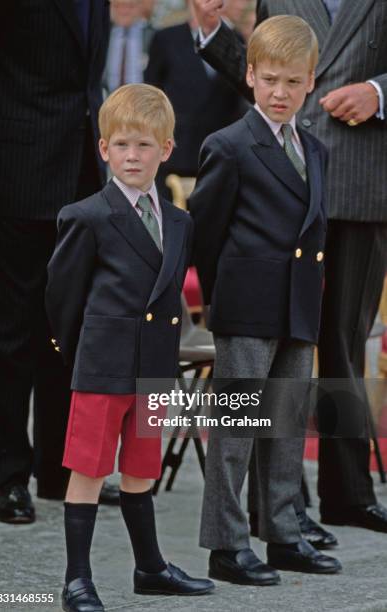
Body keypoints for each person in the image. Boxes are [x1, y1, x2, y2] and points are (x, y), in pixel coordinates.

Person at [192, 0, 387, 536]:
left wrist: (378, 92)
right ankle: (279, 510)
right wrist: (213, 31)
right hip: (277, 182)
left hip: (359, 178)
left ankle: (347, 495)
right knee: (269, 357)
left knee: (340, 343)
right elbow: (263, 69)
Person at [46, 84, 215, 612]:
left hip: (154, 366)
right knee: (90, 471)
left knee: (142, 468)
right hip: (102, 363)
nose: (132, 156)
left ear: (166, 149)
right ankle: (77, 581)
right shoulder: (87, 215)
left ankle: (151, 568)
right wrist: (79, 353)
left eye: (144, 145)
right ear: (103, 149)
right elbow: (62, 295)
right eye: (121, 145)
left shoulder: (181, 222)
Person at [189, 16, 342, 585]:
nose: (280, 93)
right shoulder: (228, 146)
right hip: (246, 309)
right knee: (235, 433)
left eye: (293, 82)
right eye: (270, 79)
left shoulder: (317, 150)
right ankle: (226, 547)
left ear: (311, 83)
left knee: (284, 427)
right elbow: (205, 232)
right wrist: (223, 300)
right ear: (250, 75)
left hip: (298, 308)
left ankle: (282, 534)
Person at [0, 0, 120, 525]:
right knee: (8, 333)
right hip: (12, 174)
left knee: (67, 328)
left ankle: (60, 471)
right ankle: (9, 477)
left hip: (79, 175)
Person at [144, 0, 248, 199]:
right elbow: (151, 95)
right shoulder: (166, 38)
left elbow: (240, 97)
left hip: (220, 154)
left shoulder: (233, 38)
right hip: (175, 154)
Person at [103, 0, 155, 96]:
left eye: (130, 6)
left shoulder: (153, 36)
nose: (124, 11)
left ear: (140, 6)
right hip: (107, 100)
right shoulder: (101, 35)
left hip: (142, 100)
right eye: (118, 6)